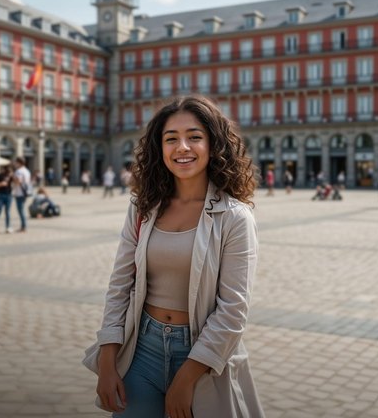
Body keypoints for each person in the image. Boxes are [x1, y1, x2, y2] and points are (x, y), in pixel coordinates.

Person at [84, 95, 264, 417]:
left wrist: (187, 376)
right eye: (171, 139)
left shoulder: (234, 217)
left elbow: (233, 311)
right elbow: (120, 285)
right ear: (160, 148)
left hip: (203, 356)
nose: (182, 147)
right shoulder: (143, 207)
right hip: (142, 348)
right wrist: (108, 359)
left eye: (194, 137)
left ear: (213, 144)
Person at [0, 164, 14, 233]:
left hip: (9, 195)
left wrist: (13, 176)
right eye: (8, 169)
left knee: (7, 212)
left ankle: (8, 227)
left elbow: (17, 183)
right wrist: (1, 184)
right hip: (0, 195)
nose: (9, 171)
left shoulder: (11, 176)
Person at [12, 157, 32, 232]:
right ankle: (23, 226)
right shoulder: (27, 171)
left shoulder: (19, 171)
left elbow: (18, 181)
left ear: (19, 163)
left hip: (19, 193)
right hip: (26, 192)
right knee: (22, 209)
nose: (15, 164)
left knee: (20, 210)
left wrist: (13, 178)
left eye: (16, 162)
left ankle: (23, 226)